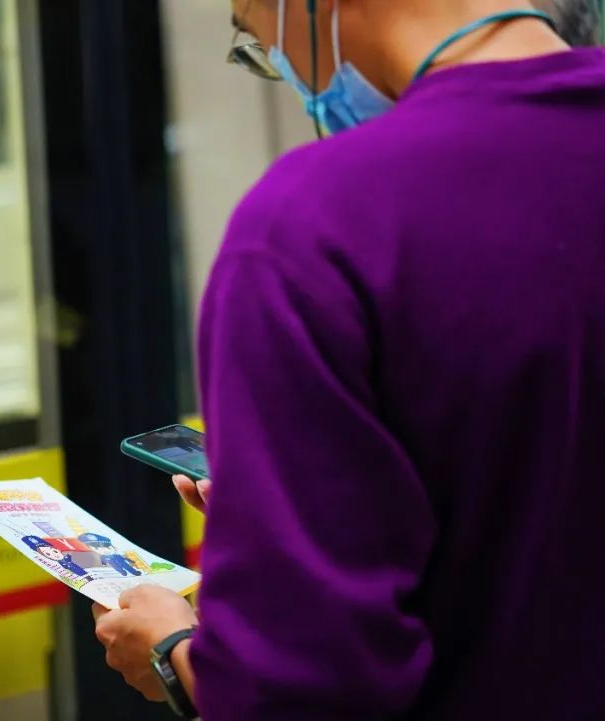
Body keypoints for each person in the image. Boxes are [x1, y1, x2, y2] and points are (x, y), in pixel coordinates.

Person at [93, 0, 605, 720]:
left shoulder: (311, 227)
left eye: (258, 37)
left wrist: (174, 653)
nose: (289, 73)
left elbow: (299, 691)